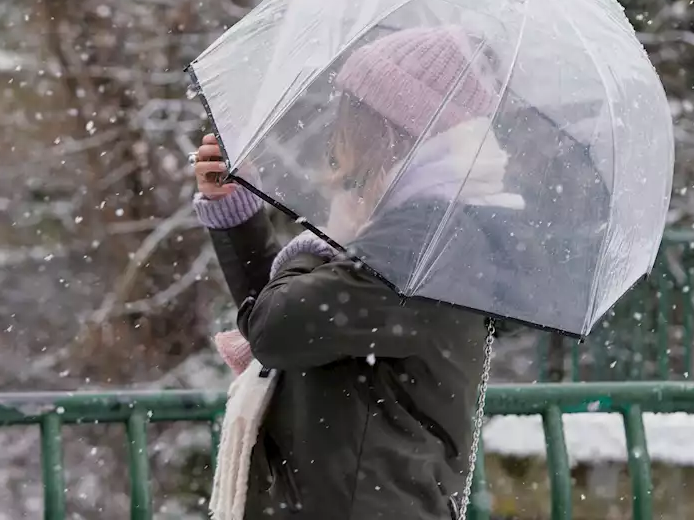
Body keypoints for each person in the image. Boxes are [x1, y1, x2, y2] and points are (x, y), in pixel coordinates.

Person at [193, 26, 520, 520]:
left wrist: (321, 245)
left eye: (351, 113)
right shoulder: (425, 232)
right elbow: (291, 327)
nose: (338, 133)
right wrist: (238, 214)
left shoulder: (426, 244)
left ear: (389, 130)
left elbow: (276, 329)